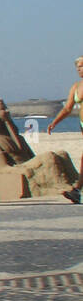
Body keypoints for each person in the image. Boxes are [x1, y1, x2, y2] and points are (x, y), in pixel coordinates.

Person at [46, 56, 83, 203]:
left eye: (82, 66)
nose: (79, 69)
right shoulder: (76, 86)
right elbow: (68, 108)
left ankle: (77, 189)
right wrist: (55, 122)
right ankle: (77, 190)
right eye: (78, 67)